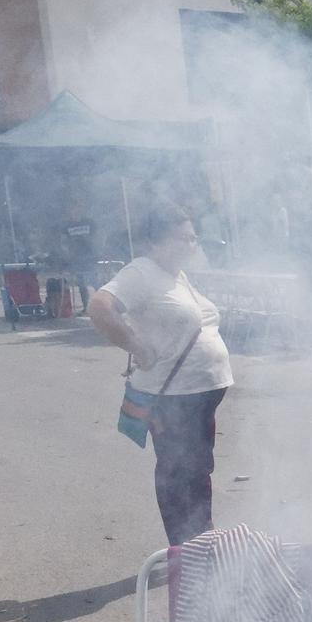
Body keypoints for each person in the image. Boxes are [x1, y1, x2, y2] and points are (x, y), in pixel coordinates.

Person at [87, 205, 233, 545]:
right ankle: (184, 549)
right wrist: (136, 346)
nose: (190, 246)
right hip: (172, 397)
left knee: (196, 470)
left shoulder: (175, 275)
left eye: (193, 238)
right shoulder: (142, 272)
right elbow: (100, 306)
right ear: (155, 241)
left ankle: (200, 538)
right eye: (182, 238)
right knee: (177, 472)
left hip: (198, 395)